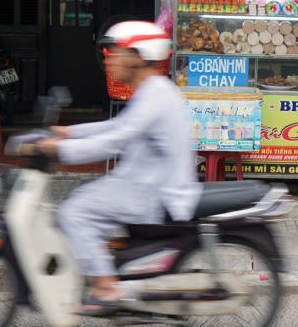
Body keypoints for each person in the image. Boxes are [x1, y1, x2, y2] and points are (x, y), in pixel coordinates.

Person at [35, 20, 201, 316]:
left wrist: (60, 150)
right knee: (86, 203)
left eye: (116, 53)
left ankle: (106, 288)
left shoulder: (156, 95)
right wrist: (71, 133)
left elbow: (115, 140)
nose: (109, 60)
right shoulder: (152, 90)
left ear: (137, 56)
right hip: (141, 181)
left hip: (151, 190)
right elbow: (117, 127)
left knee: (76, 211)